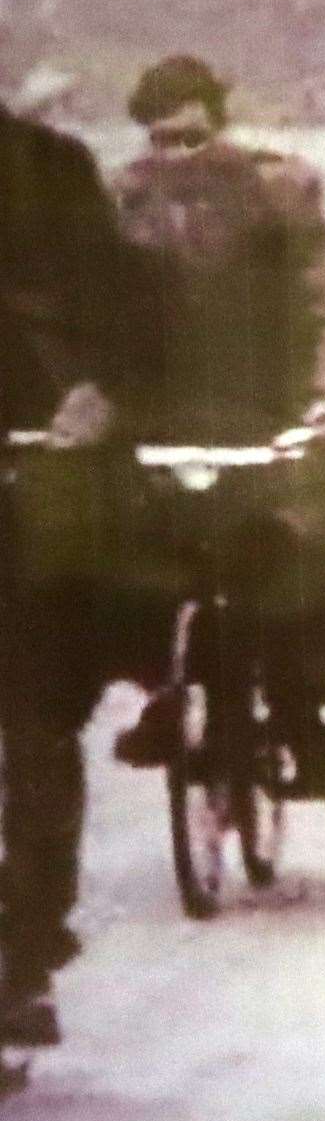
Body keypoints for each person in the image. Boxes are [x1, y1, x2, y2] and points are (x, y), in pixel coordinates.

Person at [107, 56, 325, 795]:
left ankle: (303, 715)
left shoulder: (280, 191)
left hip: (271, 404)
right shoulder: (121, 202)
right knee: (120, 552)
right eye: (162, 141)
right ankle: (165, 688)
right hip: (162, 408)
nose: (180, 156)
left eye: (193, 136)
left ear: (221, 122)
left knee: (303, 555)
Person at [0, 93, 164, 1045]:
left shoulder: (47, 168)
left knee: (34, 723)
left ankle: (22, 952)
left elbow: (129, 303)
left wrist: (105, 392)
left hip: (34, 482)